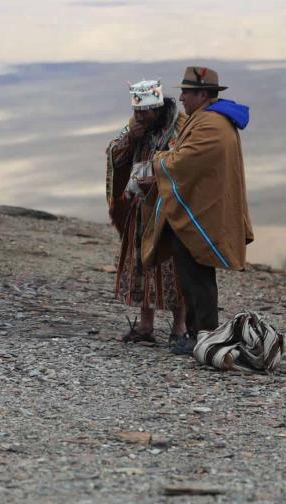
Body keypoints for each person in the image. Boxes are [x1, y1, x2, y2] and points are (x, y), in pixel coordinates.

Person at [141, 66, 254, 355]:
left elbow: (185, 161)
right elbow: (184, 156)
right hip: (199, 207)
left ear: (203, 94)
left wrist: (157, 161)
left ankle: (204, 335)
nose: (180, 98)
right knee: (191, 274)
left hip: (201, 213)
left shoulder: (211, 125)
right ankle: (197, 333)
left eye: (186, 93)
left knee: (198, 276)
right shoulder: (206, 119)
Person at [105, 80, 187, 344]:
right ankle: (145, 326)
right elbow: (113, 153)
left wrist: (159, 178)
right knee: (142, 262)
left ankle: (180, 327)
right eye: (136, 112)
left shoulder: (180, 126)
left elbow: (187, 161)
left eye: (145, 112)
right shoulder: (137, 127)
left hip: (170, 208)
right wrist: (131, 138)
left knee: (174, 266)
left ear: (158, 108)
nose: (139, 117)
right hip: (141, 208)